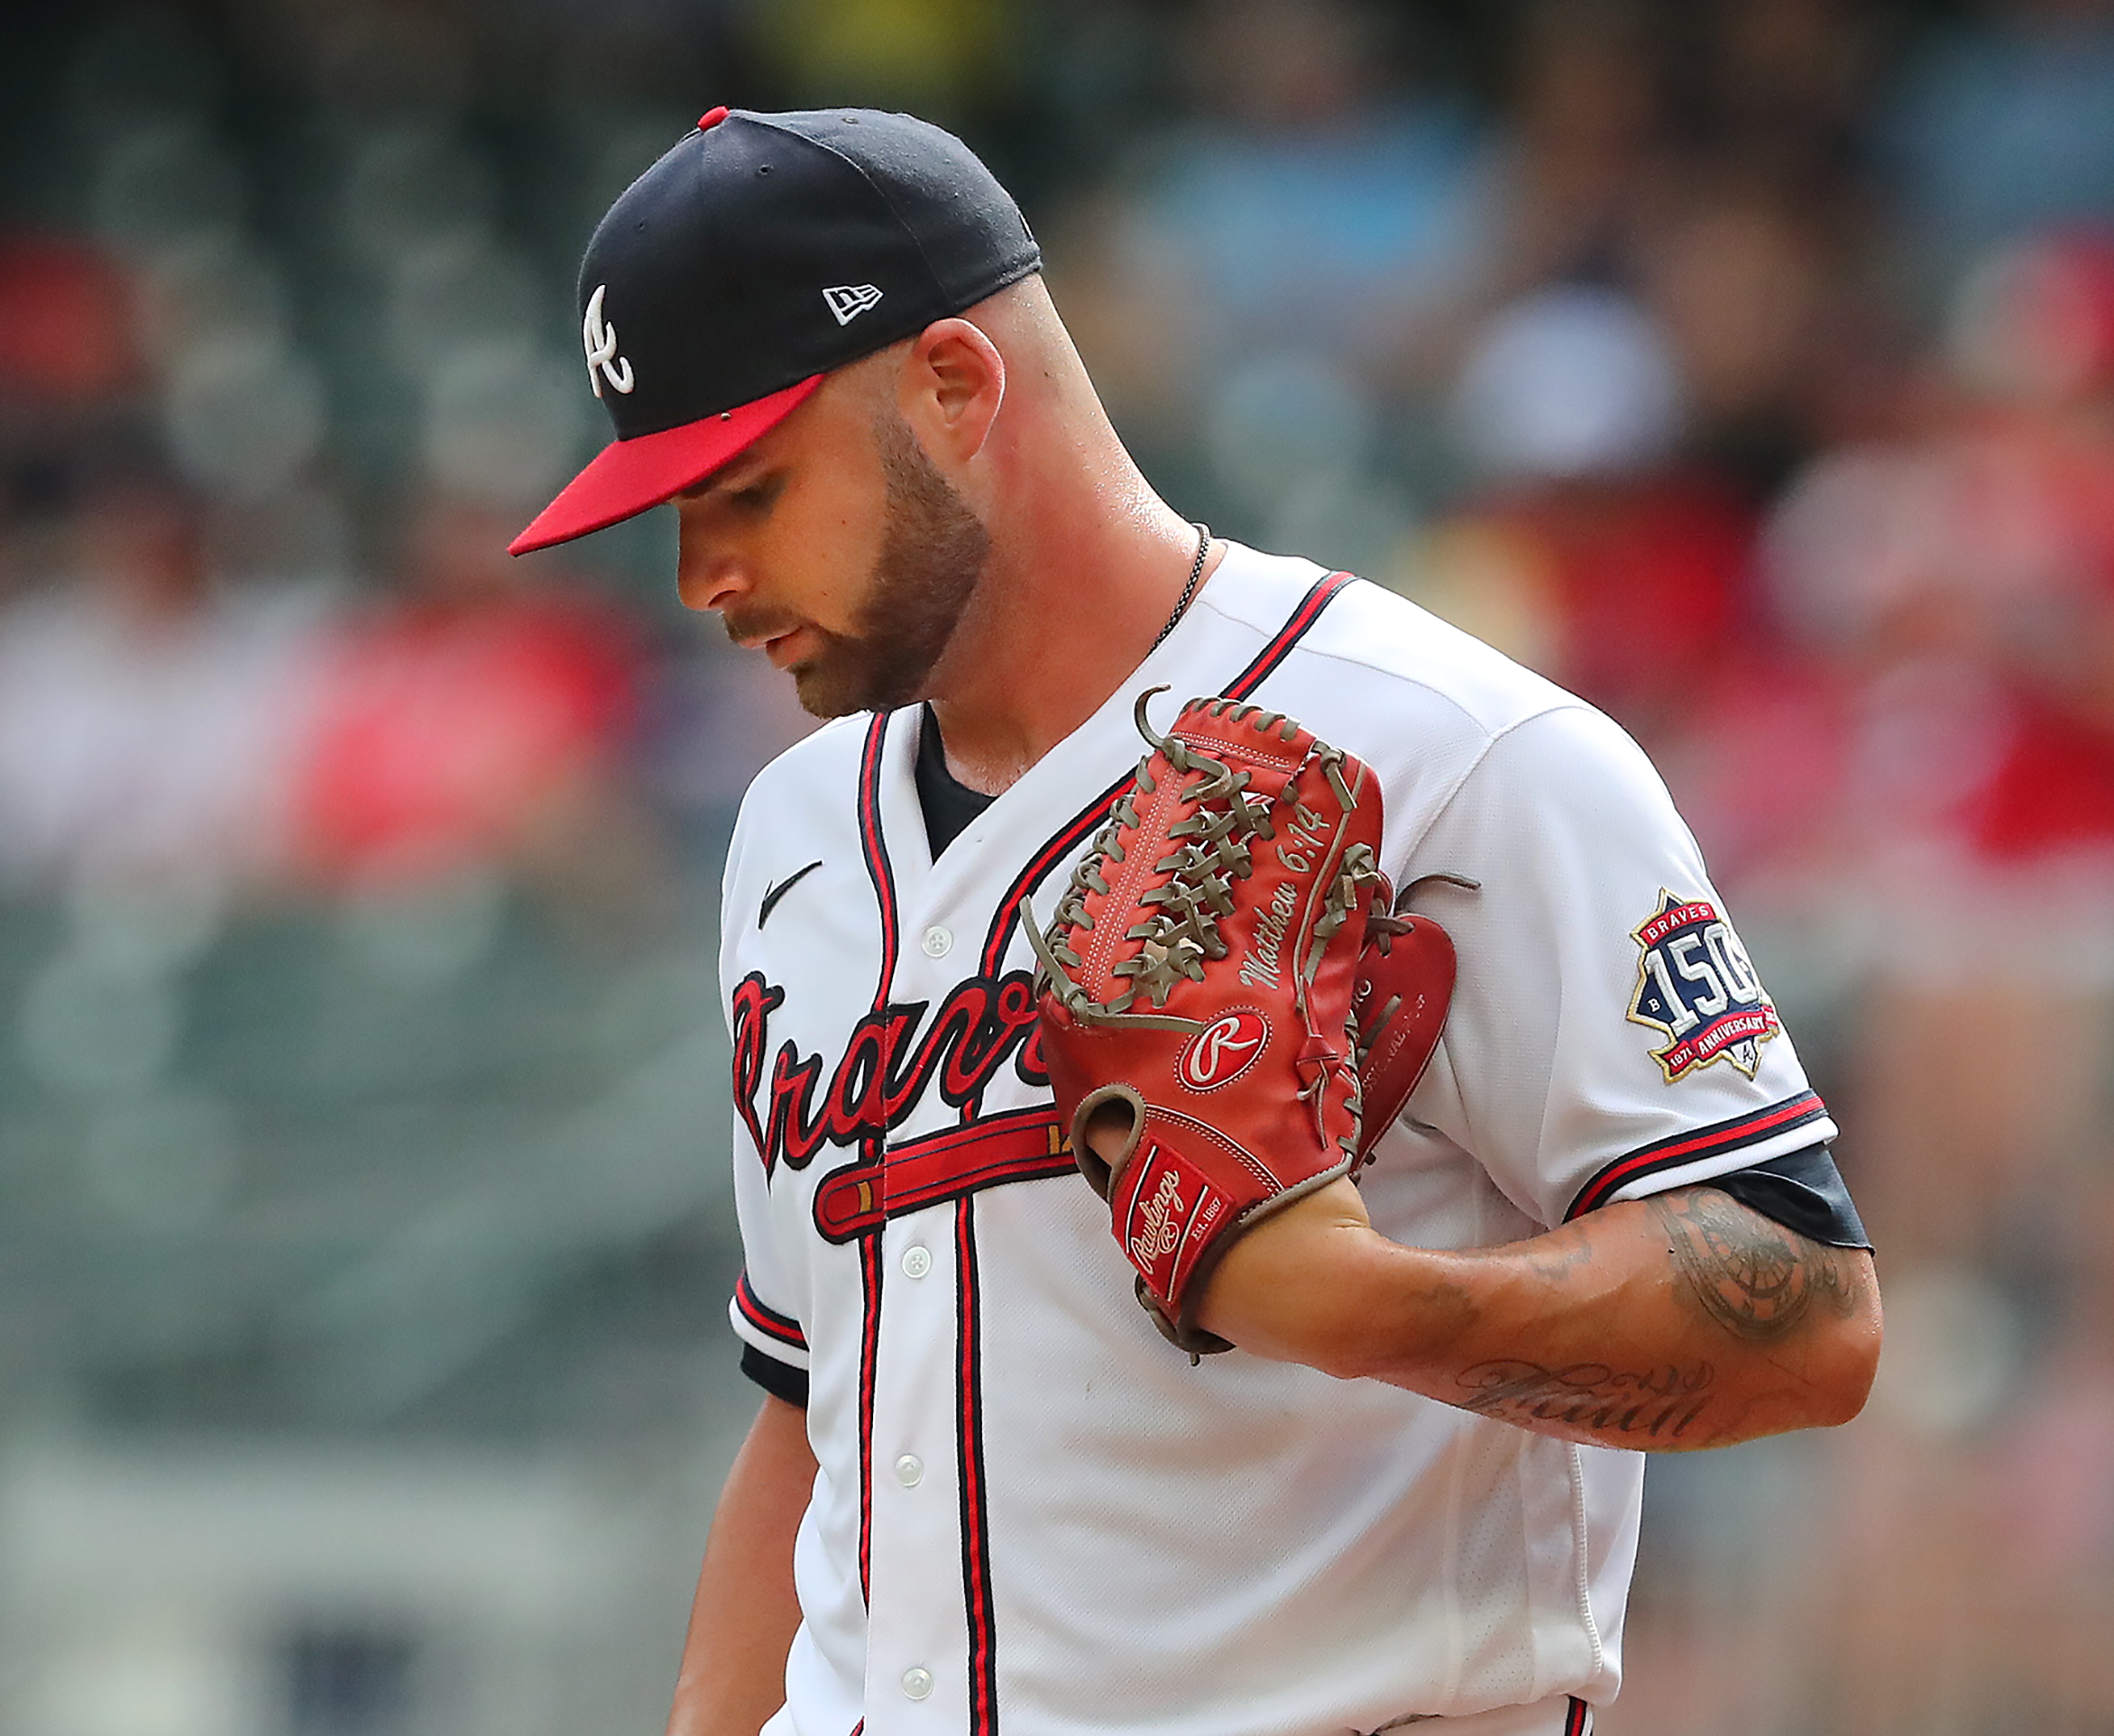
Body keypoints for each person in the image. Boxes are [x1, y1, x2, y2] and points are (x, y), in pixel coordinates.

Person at [510, 106, 1880, 1736]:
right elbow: (810, 1410)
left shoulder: (1453, 756)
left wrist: (1365, 1305)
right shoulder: (795, 839)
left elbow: (1808, 1319)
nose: (697, 576)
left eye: (745, 489)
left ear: (954, 386)